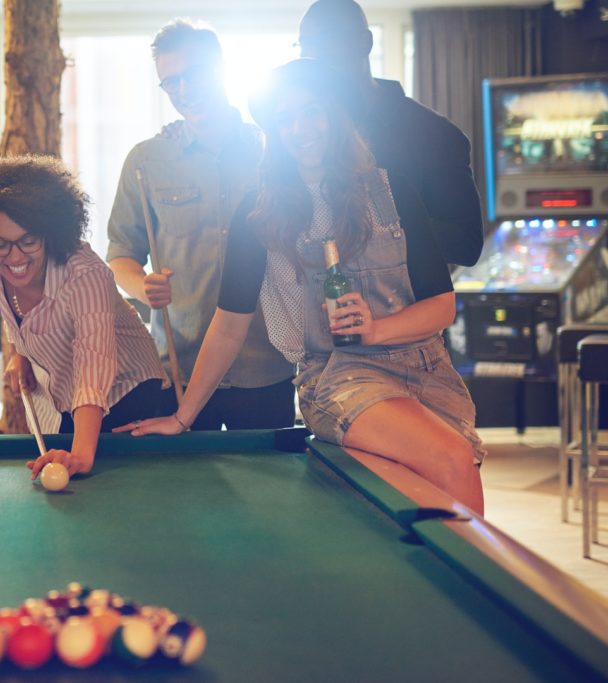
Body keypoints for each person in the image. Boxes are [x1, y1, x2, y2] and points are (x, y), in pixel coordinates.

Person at [119, 59, 486, 514]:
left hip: (428, 367)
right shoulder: (258, 211)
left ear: (335, 114)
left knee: (452, 479)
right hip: (337, 375)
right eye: (285, 118)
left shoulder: (394, 192)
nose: (300, 127)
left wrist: (377, 329)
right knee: (451, 459)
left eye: (311, 111)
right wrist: (181, 417)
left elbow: (442, 306)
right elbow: (230, 326)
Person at [107, 19, 295, 431]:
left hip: (267, 366)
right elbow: (120, 254)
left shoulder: (273, 151)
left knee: (268, 493)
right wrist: (143, 287)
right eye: (170, 82)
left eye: (192, 75)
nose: (184, 91)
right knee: (182, 494)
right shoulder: (146, 161)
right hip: (179, 369)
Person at [0, 155, 168, 479]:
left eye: (28, 241)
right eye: (0, 244)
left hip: (132, 398)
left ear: (48, 233)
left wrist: (81, 456)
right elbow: (19, 317)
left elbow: (94, 364)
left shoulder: (85, 275)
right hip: (74, 402)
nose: (16, 256)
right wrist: (21, 354)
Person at [298, 0, 484, 267]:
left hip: (409, 304)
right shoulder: (307, 134)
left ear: (364, 43)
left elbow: (466, 244)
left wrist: (378, 225)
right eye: (304, 44)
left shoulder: (433, 134)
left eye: (324, 41)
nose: (310, 56)